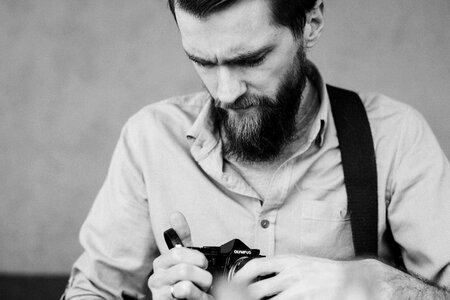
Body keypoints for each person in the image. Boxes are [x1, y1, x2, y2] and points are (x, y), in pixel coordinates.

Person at [64, 0, 450, 299]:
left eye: (250, 59)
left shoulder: (395, 136)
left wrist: (378, 287)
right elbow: (91, 291)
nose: (226, 92)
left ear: (310, 24)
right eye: (202, 62)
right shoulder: (149, 138)